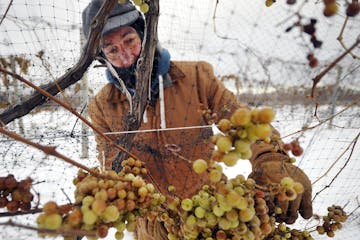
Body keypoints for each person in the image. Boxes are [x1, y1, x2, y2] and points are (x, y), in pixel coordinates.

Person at [82, 0, 313, 239]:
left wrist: (270, 157)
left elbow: (243, 122)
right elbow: (113, 170)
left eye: (129, 40)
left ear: (144, 35)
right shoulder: (102, 106)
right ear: (103, 58)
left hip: (215, 213)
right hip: (154, 228)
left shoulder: (196, 77)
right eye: (112, 50)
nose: (126, 56)